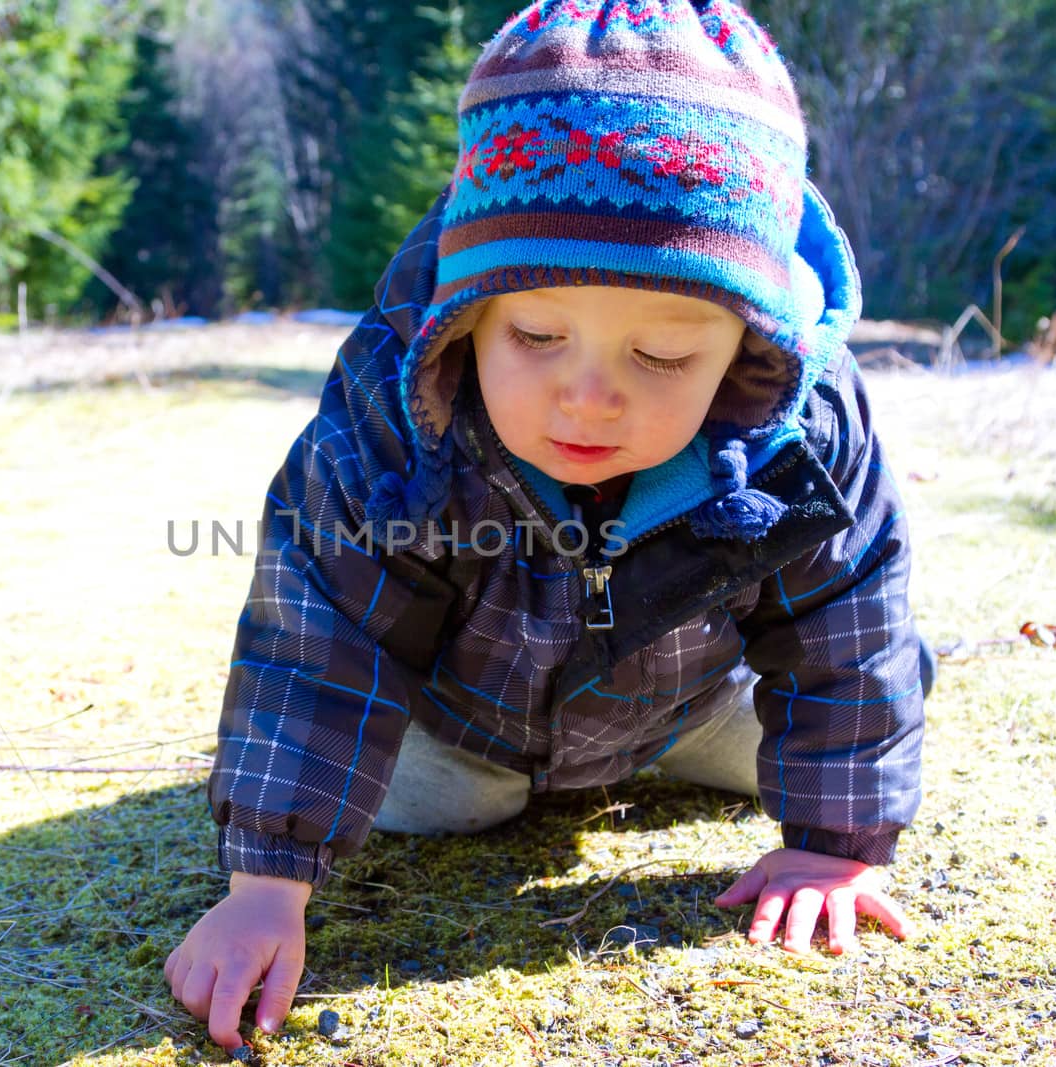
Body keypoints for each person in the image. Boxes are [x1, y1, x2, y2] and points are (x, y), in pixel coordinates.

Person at [164, 0, 931, 1051]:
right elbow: (317, 636)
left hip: (694, 703)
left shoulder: (802, 425)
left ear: (748, 344)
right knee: (411, 793)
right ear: (466, 310)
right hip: (462, 723)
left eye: (661, 357)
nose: (587, 397)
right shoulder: (396, 422)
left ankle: (762, 773)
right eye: (533, 333)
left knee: (822, 734)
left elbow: (850, 619)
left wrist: (837, 844)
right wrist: (267, 879)